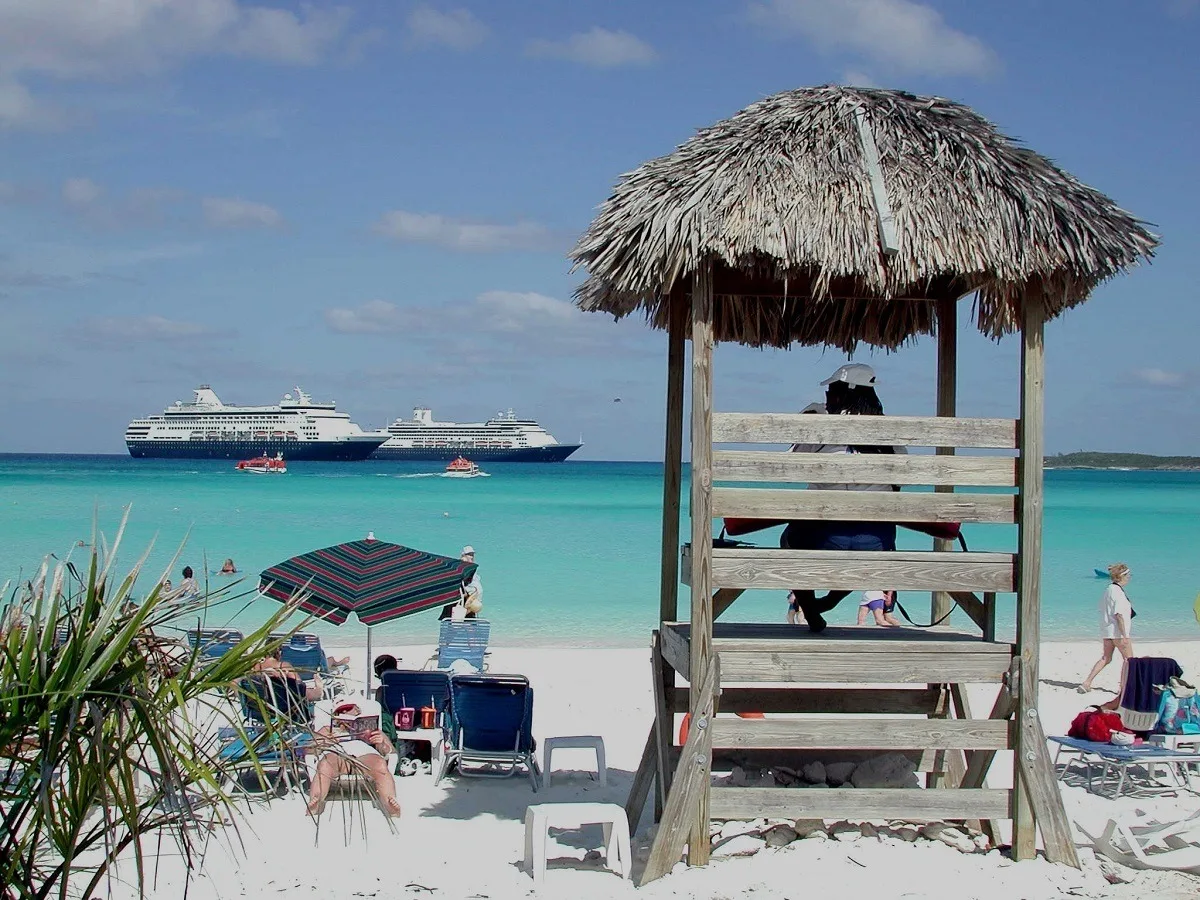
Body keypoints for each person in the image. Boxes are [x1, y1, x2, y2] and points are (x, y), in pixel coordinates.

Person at [783, 363, 903, 633]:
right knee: (864, 552)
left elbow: (789, 467)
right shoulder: (892, 433)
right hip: (877, 543)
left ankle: (811, 609)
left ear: (845, 393)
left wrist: (809, 420)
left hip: (827, 538)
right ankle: (829, 601)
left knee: (790, 538)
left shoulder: (820, 424)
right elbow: (899, 485)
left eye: (832, 390)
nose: (827, 395)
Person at [305, 700, 401, 817]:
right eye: (341, 711)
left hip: (365, 756)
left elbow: (391, 751)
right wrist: (323, 742)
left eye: (349, 709)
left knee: (380, 764)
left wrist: (382, 744)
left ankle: (390, 803)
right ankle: (316, 800)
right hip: (338, 755)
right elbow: (308, 750)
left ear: (358, 712)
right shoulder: (327, 729)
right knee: (325, 765)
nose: (345, 712)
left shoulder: (372, 730)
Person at [1078, 563, 1134, 696]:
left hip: (1107, 631)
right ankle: (1123, 689)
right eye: (1128, 575)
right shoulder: (1118, 593)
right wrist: (1125, 635)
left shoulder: (1108, 590)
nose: (1129, 578)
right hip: (1118, 633)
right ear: (1122, 576)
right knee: (1129, 661)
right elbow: (1119, 615)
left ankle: (1087, 682)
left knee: (1106, 658)